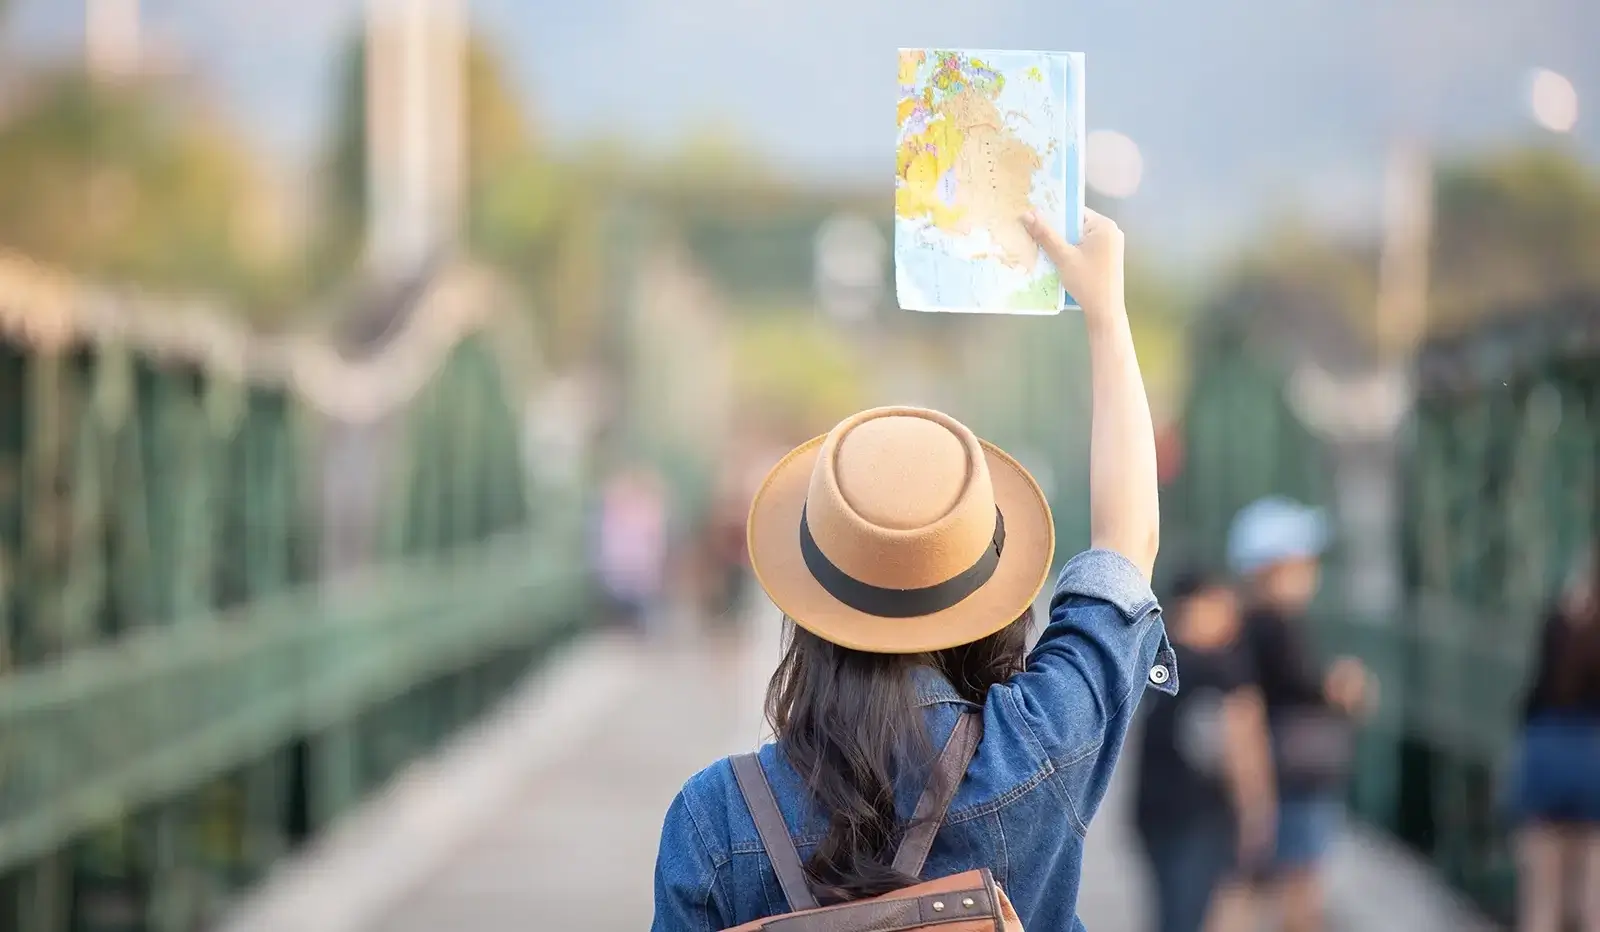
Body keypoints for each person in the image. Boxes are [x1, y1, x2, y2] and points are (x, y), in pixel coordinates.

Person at [651, 208, 1175, 931]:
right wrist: (1106, 315)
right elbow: (1127, 544)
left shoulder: (714, 817)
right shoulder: (1038, 747)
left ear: (811, 603)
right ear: (989, 595)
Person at [1226, 497, 1376, 932]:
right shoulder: (1274, 625)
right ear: (1272, 568)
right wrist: (1343, 688)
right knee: (1298, 886)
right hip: (1292, 773)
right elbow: (1306, 686)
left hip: (1278, 772)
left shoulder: (1253, 623)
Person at [1135, 570, 1275, 932]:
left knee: (1173, 913)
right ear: (1194, 606)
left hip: (1155, 812)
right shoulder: (1223, 668)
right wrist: (1256, 814)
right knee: (1187, 916)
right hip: (1199, 817)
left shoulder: (1156, 662)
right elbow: (1242, 745)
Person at [1509, 545, 1600, 932]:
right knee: (1592, 901)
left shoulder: (1558, 618)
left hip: (1546, 756)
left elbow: (1532, 696)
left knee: (1541, 902)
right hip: (1595, 761)